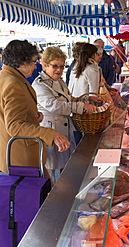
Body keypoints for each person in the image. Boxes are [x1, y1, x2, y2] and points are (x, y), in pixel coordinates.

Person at [0, 40, 70, 176]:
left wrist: (32, 115)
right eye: (33, 62)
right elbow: (14, 126)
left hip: (9, 153)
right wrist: (51, 134)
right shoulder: (13, 83)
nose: (35, 66)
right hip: (20, 158)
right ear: (21, 62)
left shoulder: (5, 77)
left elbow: (6, 113)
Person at [32, 46, 96, 183]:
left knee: (65, 169)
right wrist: (81, 106)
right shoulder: (39, 85)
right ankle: (54, 199)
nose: (59, 70)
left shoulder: (59, 81)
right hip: (52, 132)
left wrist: (86, 99)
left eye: (62, 66)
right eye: (55, 66)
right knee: (54, 171)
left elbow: (68, 99)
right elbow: (55, 106)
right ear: (44, 64)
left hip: (65, 130)